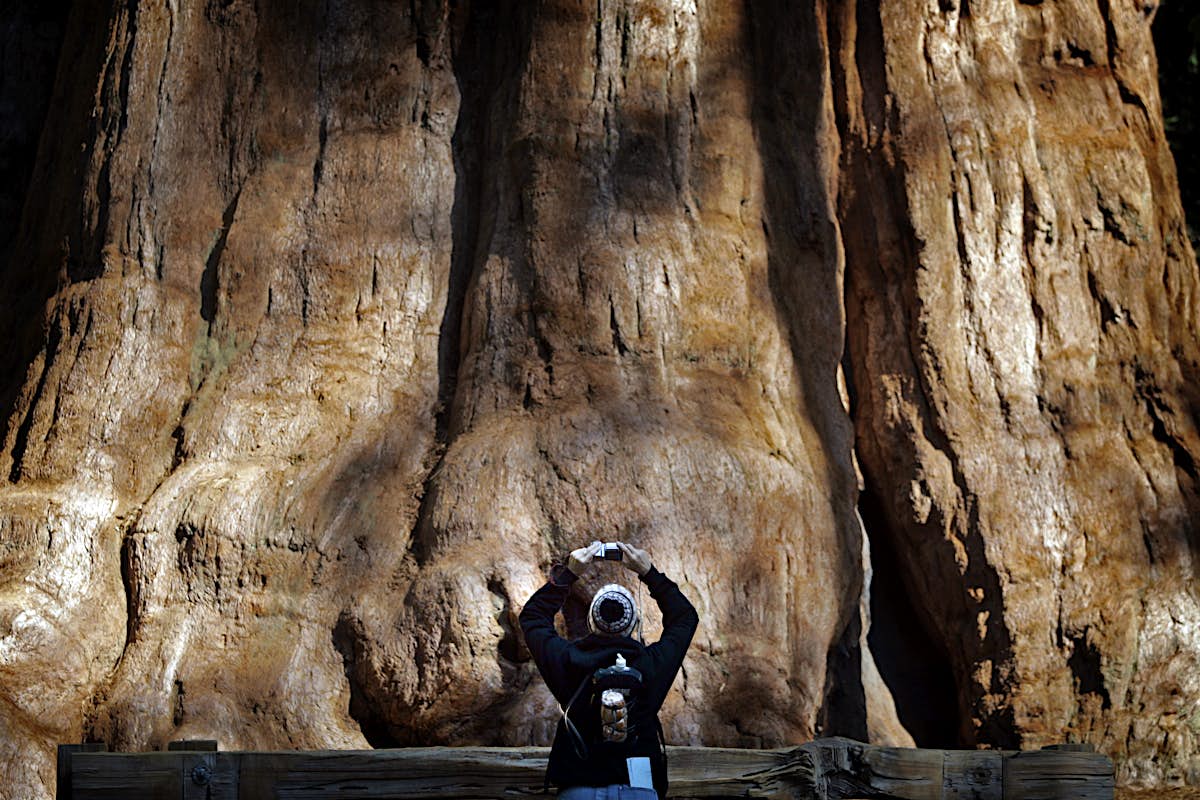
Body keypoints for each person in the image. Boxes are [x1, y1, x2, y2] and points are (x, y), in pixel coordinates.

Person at [519, 540, 699, 800]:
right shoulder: (651, 664)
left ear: (592, 622)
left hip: (577, 790)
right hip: (639, 790)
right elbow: (685, 618)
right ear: (633, 623)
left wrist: (569, 574)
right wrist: (648, 572)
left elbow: (533, 617)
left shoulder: (569, 660)